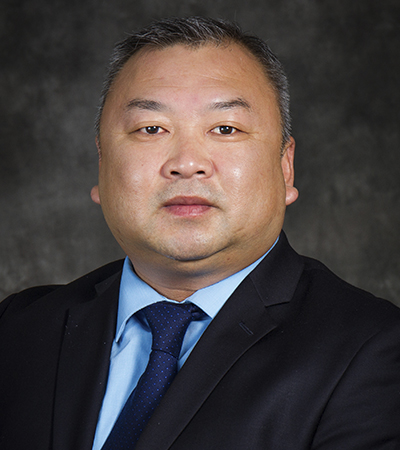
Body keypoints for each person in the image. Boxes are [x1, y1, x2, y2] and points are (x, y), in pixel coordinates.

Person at [1, 16, 399, 450]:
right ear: (101, 164)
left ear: (285, 168)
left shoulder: (373, 351)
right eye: (151, 129)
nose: (187, 163)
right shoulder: (19, 330)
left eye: (225, 129)